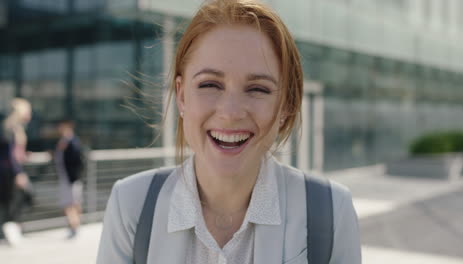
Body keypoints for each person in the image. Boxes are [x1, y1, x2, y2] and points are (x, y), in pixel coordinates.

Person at [97, 0, 361, 263]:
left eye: (258, 89)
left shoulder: (331, 211)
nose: (231, 112)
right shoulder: (132, 205)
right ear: (181, 96)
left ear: (286, 107)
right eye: (210, 84)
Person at [0, 98, 33, 246]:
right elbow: (9, 154)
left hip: (13, 170)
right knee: (13, 201)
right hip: (10, 172)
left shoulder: (16, 128)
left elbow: (15, 153)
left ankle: (12, 230)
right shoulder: (10, 128)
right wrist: (17, 173)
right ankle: (9, 231)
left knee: (16, 200)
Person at [54, 119, 84, 239]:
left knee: (71, 203)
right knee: (73, 203)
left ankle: (74, 227)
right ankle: (74, 227)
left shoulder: (73, 142)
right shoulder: (63, 142)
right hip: (67, 178)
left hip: (71, 179)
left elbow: (77, 160)